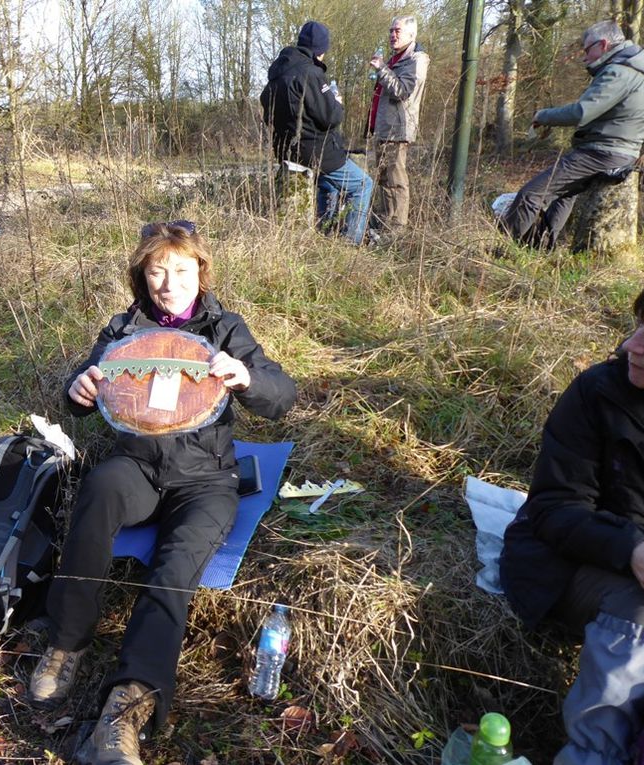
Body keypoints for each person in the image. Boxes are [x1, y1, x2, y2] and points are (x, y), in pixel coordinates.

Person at [27, 222, 296, 763]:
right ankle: (68, 641)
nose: (168, 283)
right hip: (138, 467)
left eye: (180, 270)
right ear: (141, 277)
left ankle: (128, 704)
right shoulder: (126, 328)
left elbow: (281, 395)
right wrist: (78, 390)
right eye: (156, 271)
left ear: (200, 271)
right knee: (100, 490)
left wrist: (245, 376)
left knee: (174, 570)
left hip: (207, 479)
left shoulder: (223, 327)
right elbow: (84, 387)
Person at [501, 281, 644, 764]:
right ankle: (592, 755)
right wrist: (632, 550)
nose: (632, 344)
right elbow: (555, 507)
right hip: (568, 565)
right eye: (639, 327)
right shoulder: (598, 393)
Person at [499, 20, 644, 248]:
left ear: (602, 45)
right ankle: (540, 246)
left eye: (587, 49)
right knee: (564, 194)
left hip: (601, 153)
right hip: (623, 151)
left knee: (530, 195)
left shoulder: (619, 71)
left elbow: (582, 112)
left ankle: (502, 251)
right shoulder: (642, 69)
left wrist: (544, 116)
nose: (585, 57)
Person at [261, 21, 373, 245]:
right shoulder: (310, 73)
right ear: (321, 49)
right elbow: (330, 117)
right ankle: (350, 242)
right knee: (363, 184)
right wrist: (336, 102)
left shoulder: (277, 74)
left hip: (287, 149)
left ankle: (325, 233)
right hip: (314, 149)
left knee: (327, 184)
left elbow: (268, 114)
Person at [367, 16, 429, 233]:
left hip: (397, 130)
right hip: (384, 129)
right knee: (384, 180)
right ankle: (385, 225)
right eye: (391, 30)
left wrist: (382, 69)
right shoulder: (395, 59)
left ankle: (397, 231)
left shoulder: (416, 60)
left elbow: (402, 91)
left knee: (396, 181)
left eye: (398, 31)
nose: (393, 35)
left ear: (411, 35)